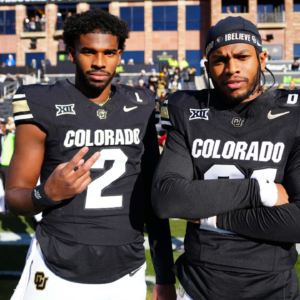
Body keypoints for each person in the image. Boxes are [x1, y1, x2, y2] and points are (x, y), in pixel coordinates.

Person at [8, 8, 176, 300]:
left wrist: (164, 276)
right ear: (71, 53)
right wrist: (46, 194)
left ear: (120, 54)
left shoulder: (142, 104)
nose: (99, 62)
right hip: (56, 261)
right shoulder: (41, 101)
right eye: (88, 52)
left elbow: (153, 198)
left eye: (109, 53)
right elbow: (14, 196)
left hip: (126, 267)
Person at [153, 16, 300, 300]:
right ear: (208, 68)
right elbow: (167, 198)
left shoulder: (293, 115)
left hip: (272, 289)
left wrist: (212, 217)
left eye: (242, 57)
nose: (231, 68)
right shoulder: (188, 109)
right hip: (199, 286)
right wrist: (261, 192)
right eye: (219, 60)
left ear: (262, 57)